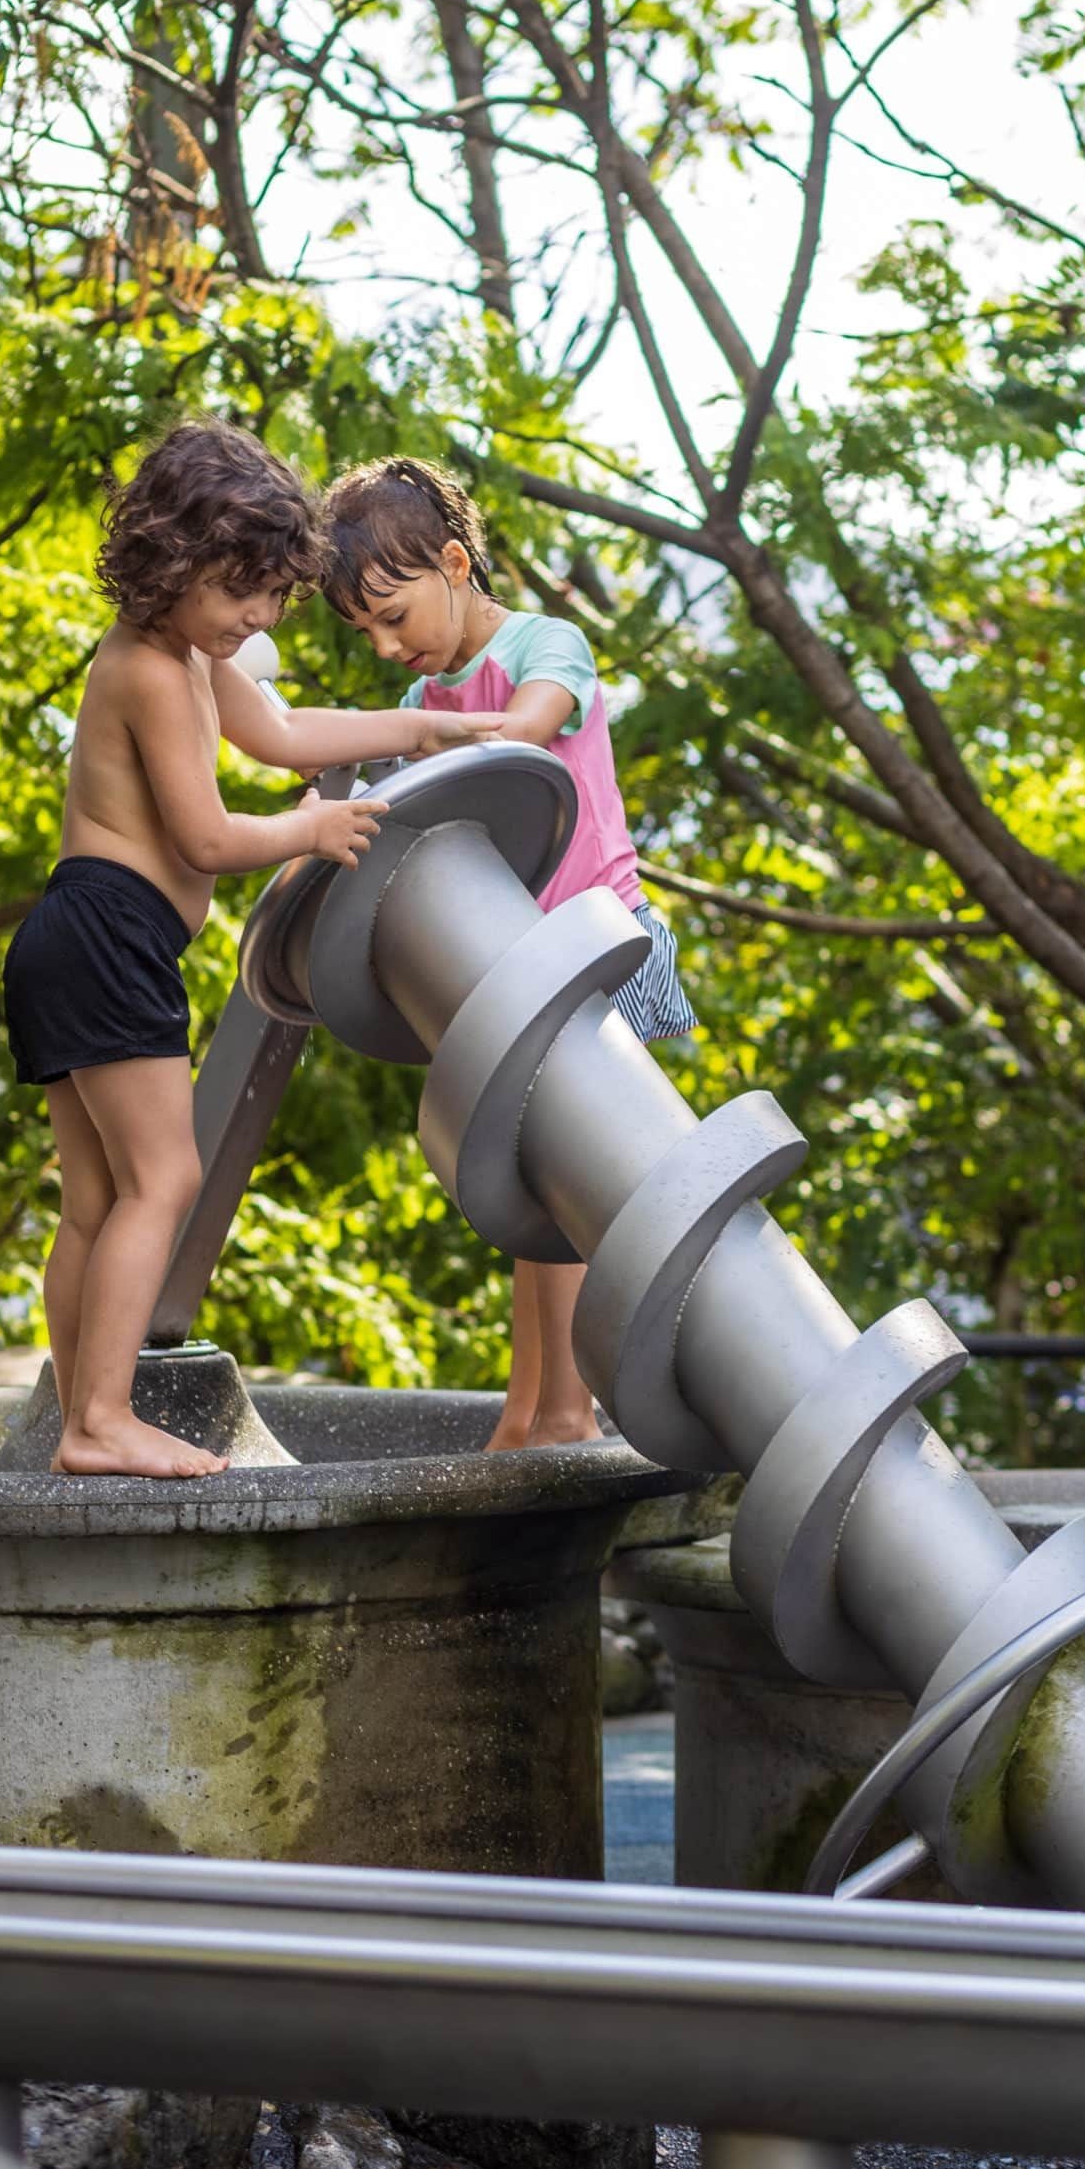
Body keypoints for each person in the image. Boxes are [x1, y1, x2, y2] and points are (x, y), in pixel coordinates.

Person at [4, 420, 501, 1480]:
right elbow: (206, 837)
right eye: (245, 592)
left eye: (275, 597)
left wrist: (414, 731)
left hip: (77, 938)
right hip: (107, 934)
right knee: (163, 1178)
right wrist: (310, 832)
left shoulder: (186, 649)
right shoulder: (145, 666)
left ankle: (77, 1417)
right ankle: (99, 1416)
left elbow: (278, 735)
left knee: (97, 1200)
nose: (261, 619)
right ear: (172, 562)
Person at [320, 455, 695, 1452]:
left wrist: (416, 744)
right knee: (537, 1195)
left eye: (394, 614)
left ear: (455, 562)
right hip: (526, 969)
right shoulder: (439, 695)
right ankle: (529, 1407)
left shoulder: (544, 644)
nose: (385, 643)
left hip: (598, 941)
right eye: (365, 632)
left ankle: (568, 1408)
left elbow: (526, 738)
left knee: (570, 1191)